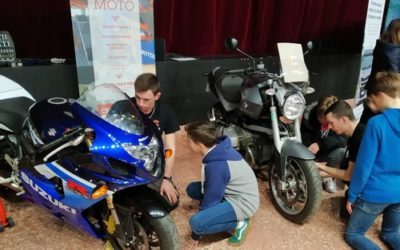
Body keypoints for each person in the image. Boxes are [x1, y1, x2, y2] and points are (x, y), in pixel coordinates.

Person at [344, 71, 400, 249]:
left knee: (353, 234)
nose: (370, 103)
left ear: (381, 95)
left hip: (376, 193)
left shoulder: (377, 123)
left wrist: (352, 196)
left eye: (372, 98)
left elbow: (363, 166)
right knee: (391, 233)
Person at [184, 121, 259, 248]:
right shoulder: (217, 148)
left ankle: (240, 223)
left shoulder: (217, 165)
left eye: (189, 141)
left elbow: (211, 200)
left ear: (200, 144)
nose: (187, 144)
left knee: (196, 223)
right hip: (230, 191)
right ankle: (223, 210)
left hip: (243, 202)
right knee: (192, 189)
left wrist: (196, 234)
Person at [132, 73, 180, 205]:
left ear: (157, 96)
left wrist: (166, 178)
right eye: (137, 97)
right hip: (127, 161)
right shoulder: (124, 107)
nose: (140, 104)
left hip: (151, 163)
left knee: (170, 202)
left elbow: (170, 149)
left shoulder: (166, 112)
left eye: (146, 100)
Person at [315, 100, 366, 219]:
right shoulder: (358, 133)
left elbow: (349, 175)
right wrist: (314, 173)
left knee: (348, 227)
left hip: (366, 193)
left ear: (343, 119)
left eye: (331, 123)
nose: (330, 127)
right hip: (359, 187)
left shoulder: (359, 139)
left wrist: (320, 166)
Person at [302, 95, 347, 193]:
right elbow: (304, 138)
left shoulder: (340, 118)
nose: (327, 123)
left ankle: (327, 177)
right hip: (311, 153)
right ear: (318, 115)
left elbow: (343, 140)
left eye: (330, 121)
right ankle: (307, 178)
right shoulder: (309, 118)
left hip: (327, 152)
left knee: (341, 151)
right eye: (323, 119)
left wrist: (320, 144)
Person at [359, 18, 400, 124]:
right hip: (384, 94)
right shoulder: (393, 52)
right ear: (397, 32)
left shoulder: (383, 46)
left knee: (367, 122)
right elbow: (395, 81)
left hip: (375, 90)